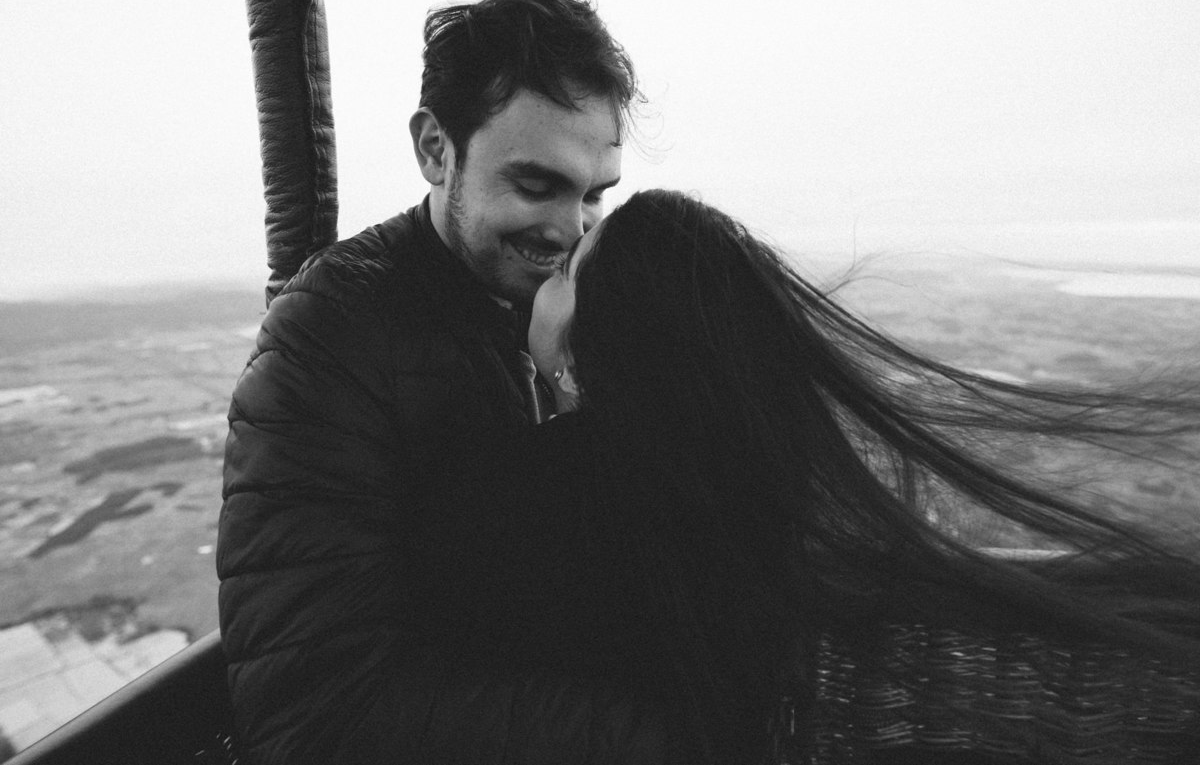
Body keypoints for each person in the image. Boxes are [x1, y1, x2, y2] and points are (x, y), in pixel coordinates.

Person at [420, 189, 1200, 764]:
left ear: (610, 330)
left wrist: (552, 387)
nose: (550, 284)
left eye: (571, 273)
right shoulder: (742, 498)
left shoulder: (510, 495)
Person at [217, 0, 656, 765]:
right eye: (535, 185)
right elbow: (315, 717)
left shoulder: (576, 310)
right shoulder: (329, 339)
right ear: (435, 150)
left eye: (593, 195)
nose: (570, 229)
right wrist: (655, 736)